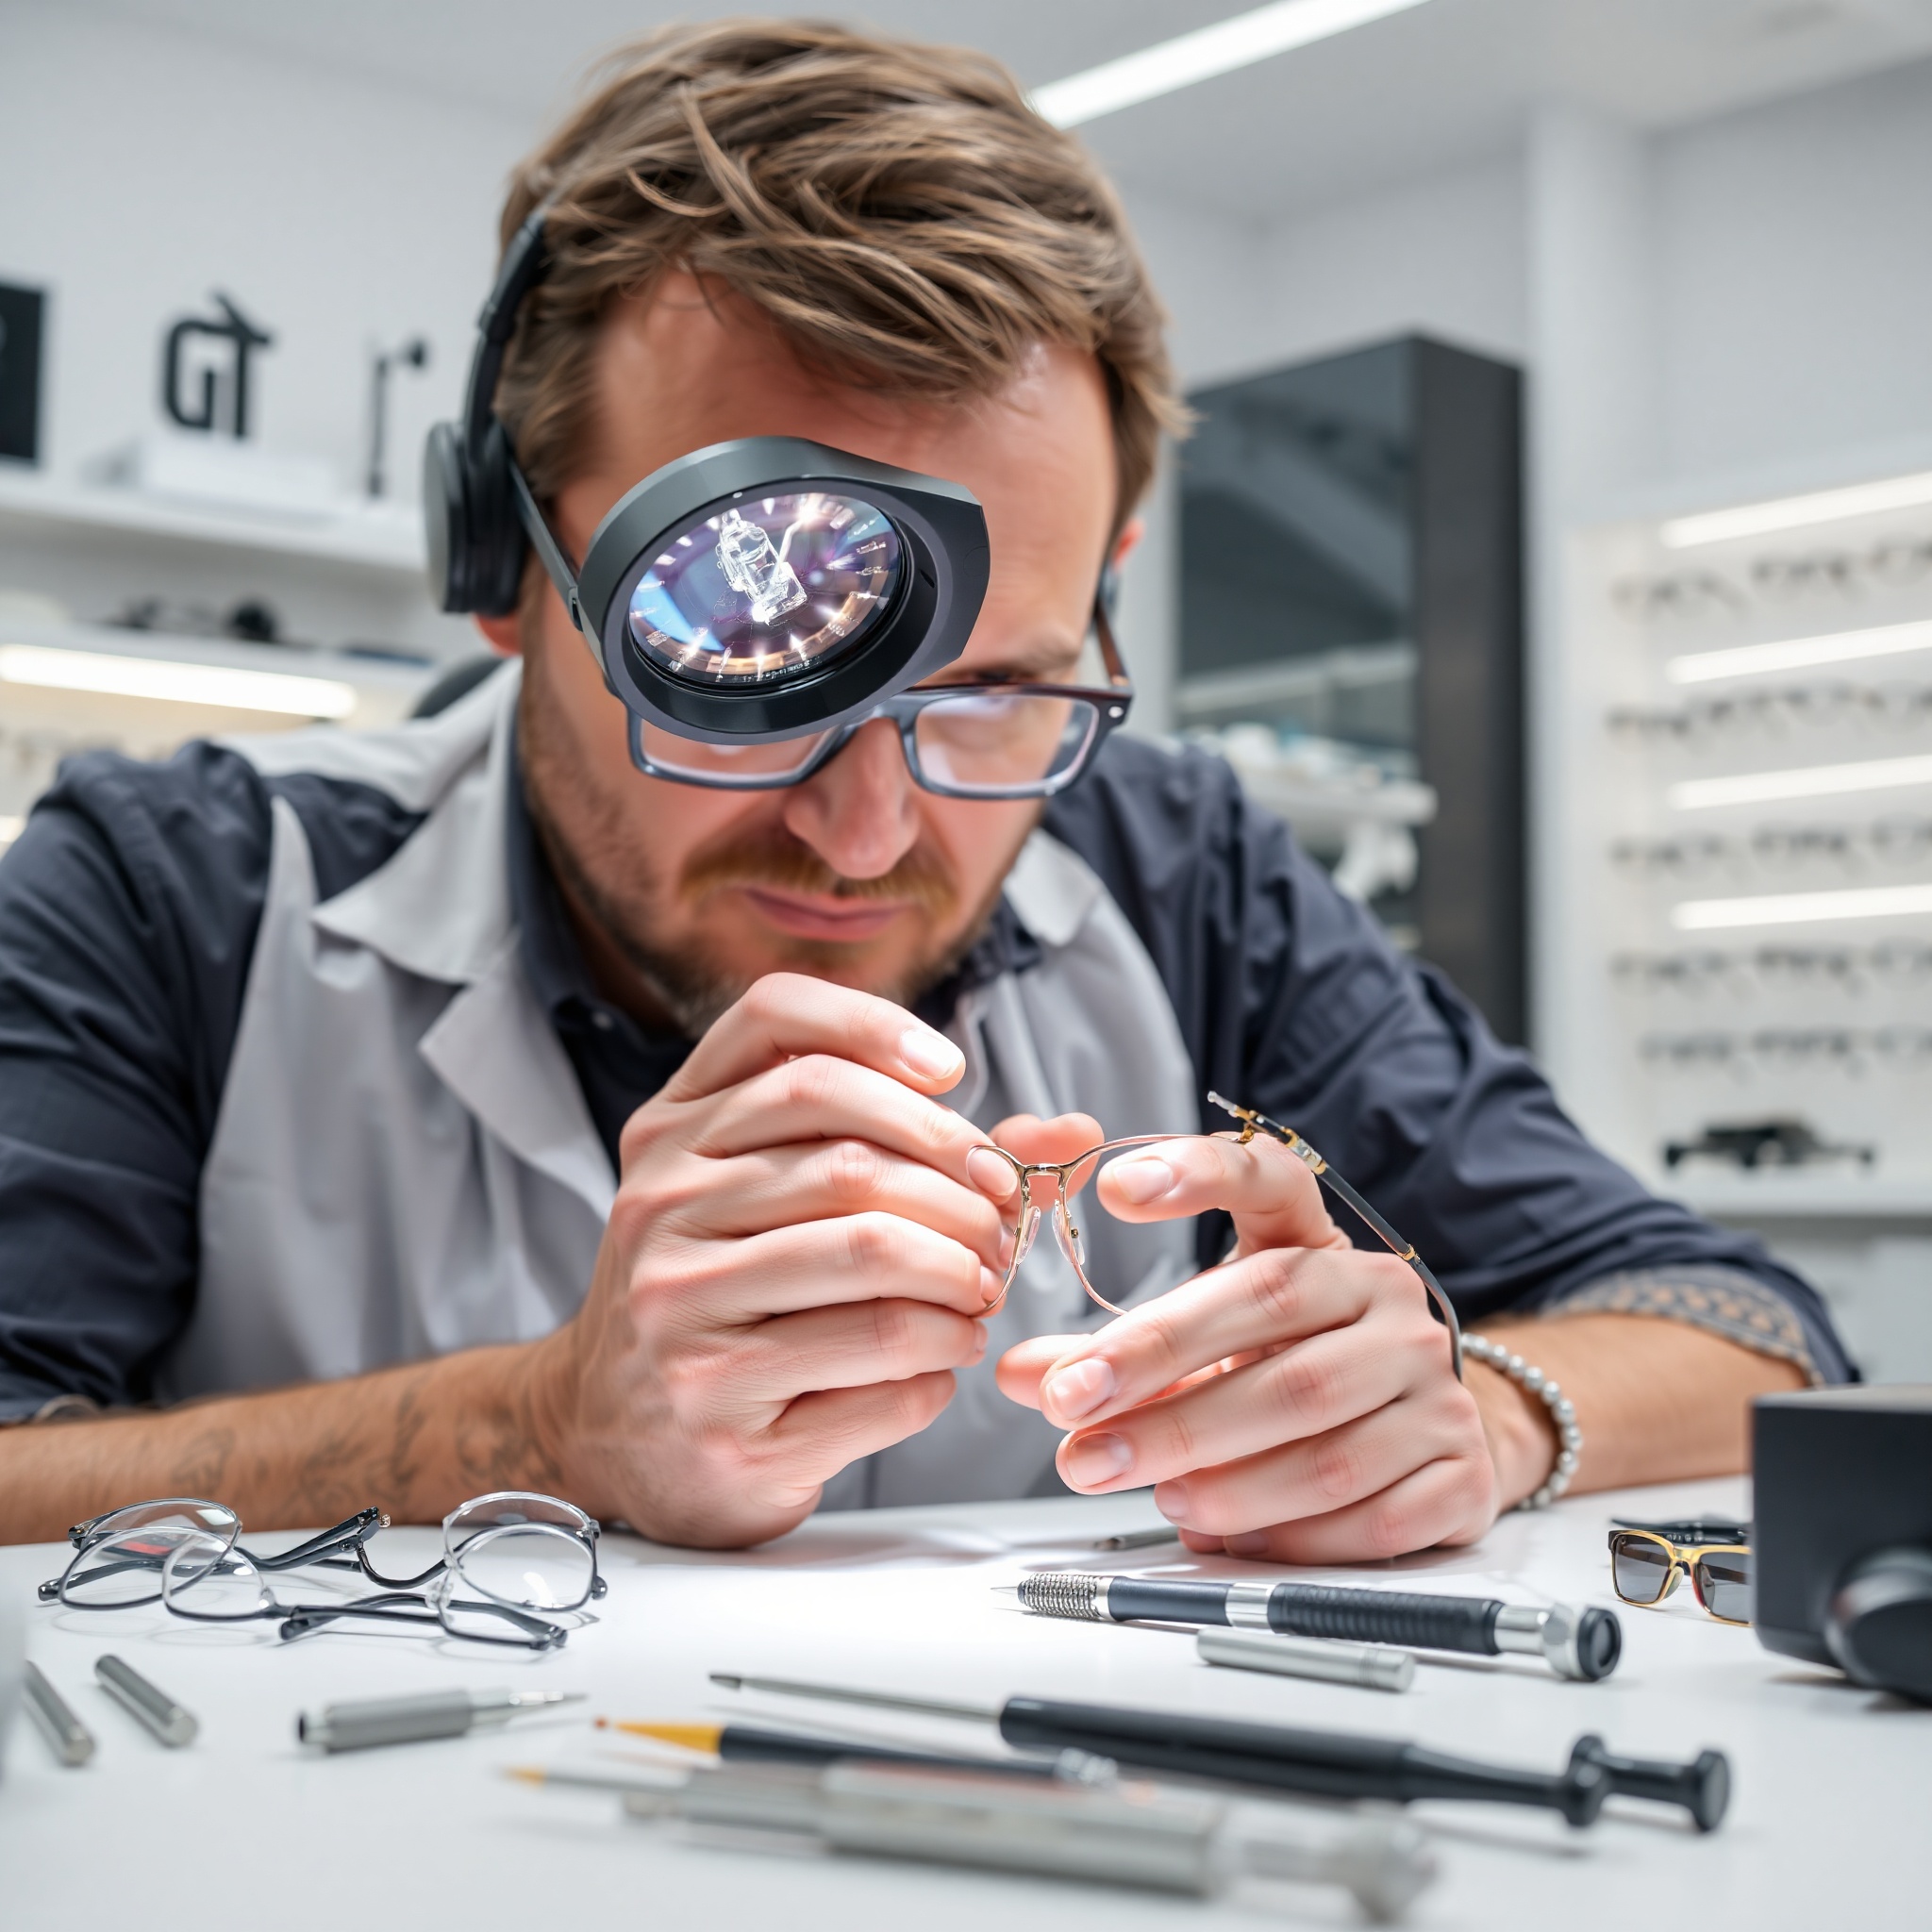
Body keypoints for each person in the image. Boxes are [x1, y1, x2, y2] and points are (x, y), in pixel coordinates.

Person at [0, 22, 1843, 1553]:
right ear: (497, 562)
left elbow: (1751, 1330)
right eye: (744, 678)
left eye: (995, 695)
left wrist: (1478, 1413)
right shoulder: (176, 895)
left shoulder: (1172, 864)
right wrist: (540, 1420)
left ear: (1104, 578)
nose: (871, 831)